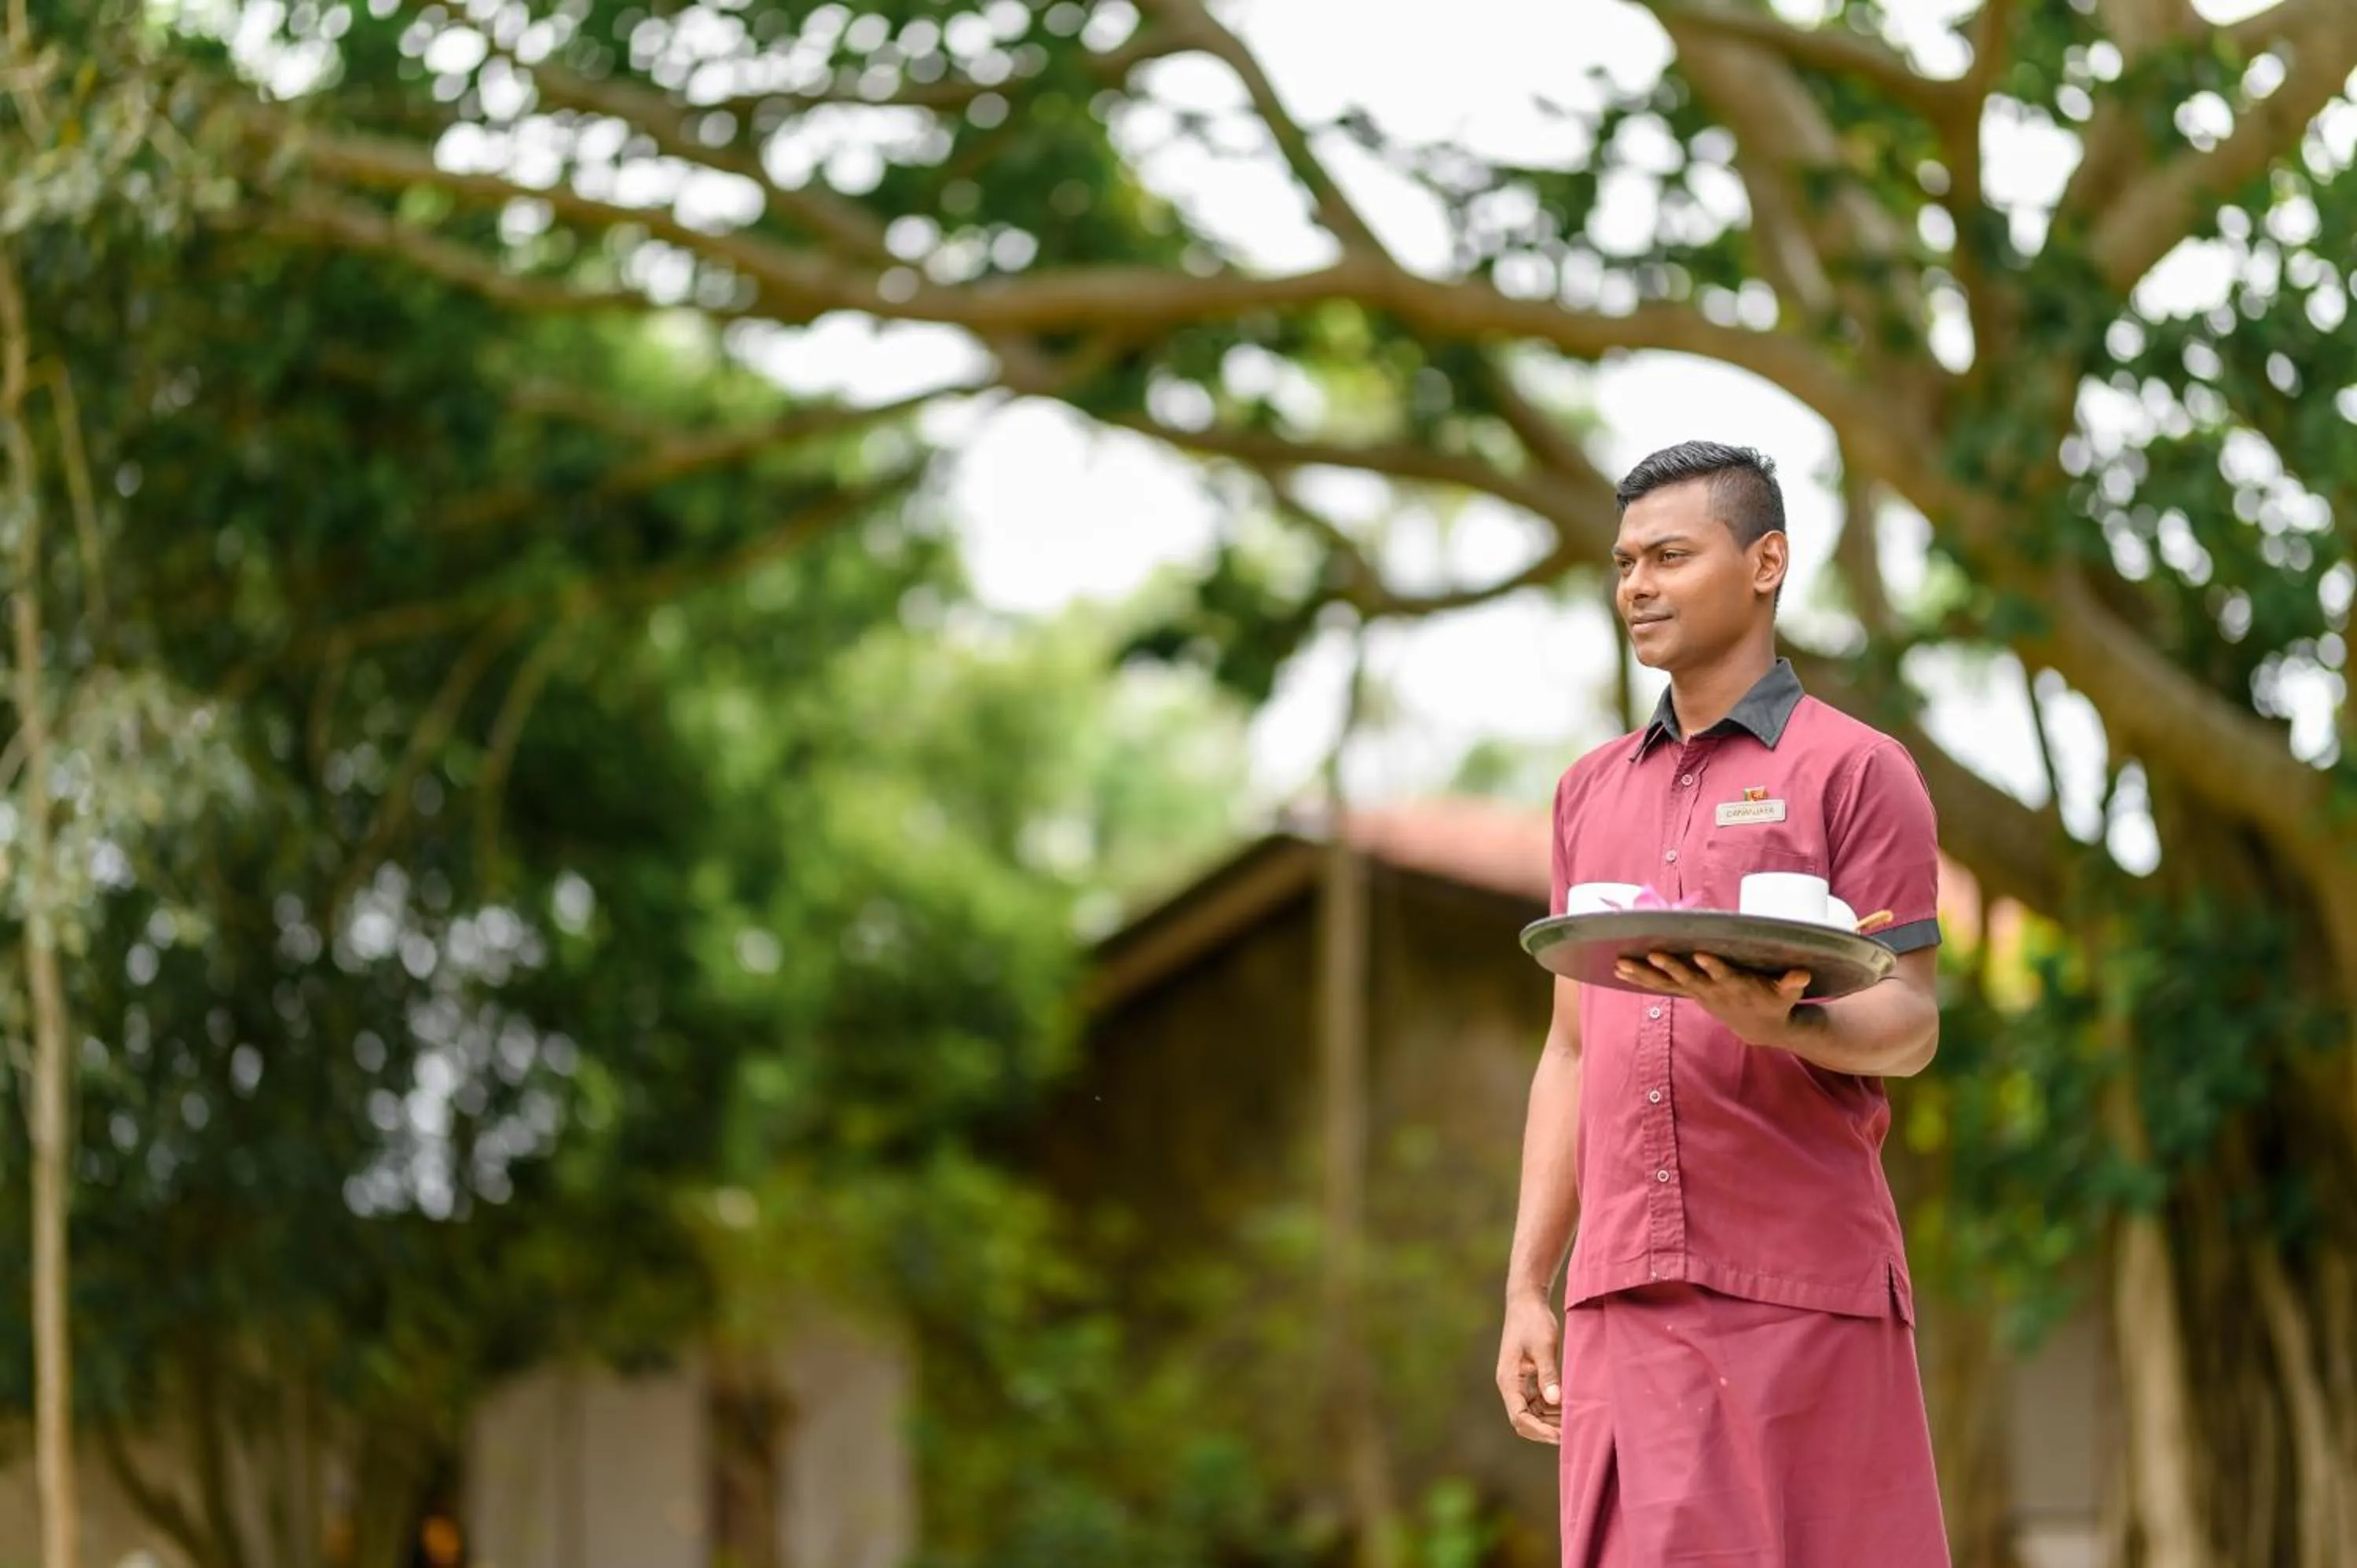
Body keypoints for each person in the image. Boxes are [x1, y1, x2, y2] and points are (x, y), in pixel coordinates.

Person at [1495, 441, 1951, 1566]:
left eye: (1669, 556)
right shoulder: (1588, 791)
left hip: (1800, 1283)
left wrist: (1786, 1025)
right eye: (1623, 562)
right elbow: (1569, 1051)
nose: (1636, 586)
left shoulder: (1856, 769)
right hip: (1620, 1294)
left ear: (1766, 562)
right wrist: (1526, 1287)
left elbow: (1914, 1024)